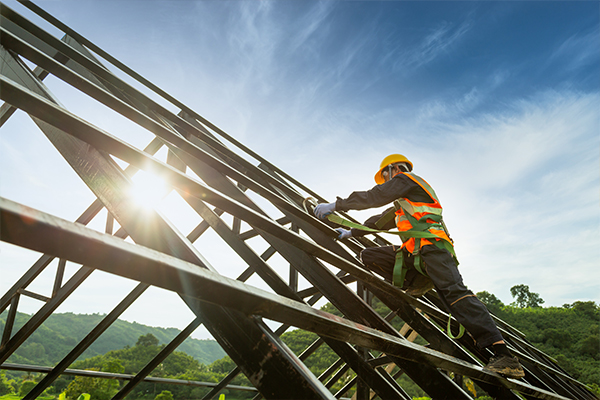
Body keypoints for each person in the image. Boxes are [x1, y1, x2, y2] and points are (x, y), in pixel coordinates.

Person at [313, 154, 525, 379]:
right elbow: (379, 221)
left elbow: (375, 196)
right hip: (417, 255)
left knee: (456, 295)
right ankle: (417, 280)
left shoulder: (408, 179)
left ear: (393, 169)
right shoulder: (404, 203)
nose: (384, 182)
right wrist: (351, 231)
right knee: (370, 255)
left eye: (384, 176)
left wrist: (337, 204)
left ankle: (504, 356)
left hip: (434, 249)